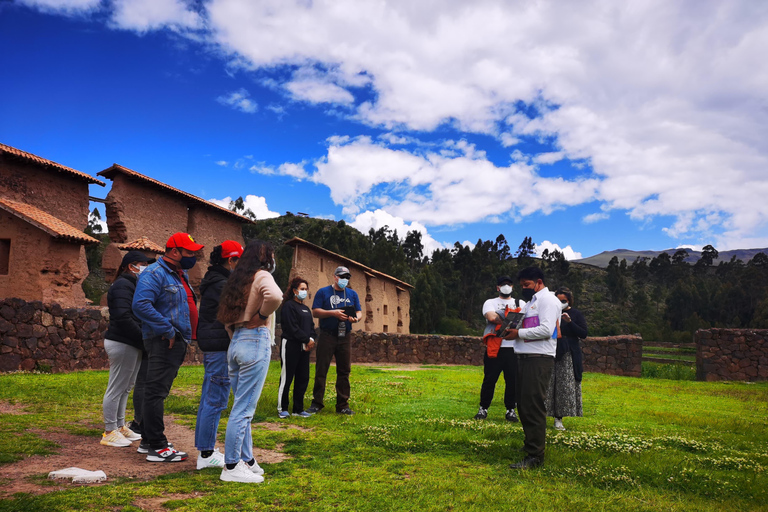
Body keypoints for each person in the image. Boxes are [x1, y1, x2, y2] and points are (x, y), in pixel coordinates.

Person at [132, 232, 204, 462]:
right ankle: (157, 445)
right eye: (189, 252)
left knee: (156, 390)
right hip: (164, 340)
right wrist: (168, 330)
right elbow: (141, 304)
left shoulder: (178, 274)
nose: (193, 256)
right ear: (174, 251)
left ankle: (147, 440)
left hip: (173, 341)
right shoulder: (155, 273)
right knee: (155, 392)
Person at [217, 240, 282, 484]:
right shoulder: (261, 275)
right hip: (254, 340)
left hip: (236, 342)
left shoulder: (237, 279)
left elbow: (226, 318)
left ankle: (246, 458)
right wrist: (262, 316)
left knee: (240, 405)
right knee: (244, 409)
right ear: (265, 257)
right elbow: (275, 296)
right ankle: (232, 466)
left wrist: (237, 336)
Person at [504, 266, 562, 469]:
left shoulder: (549, 301)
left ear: (539, 282)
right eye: (522, 286)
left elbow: (547, 329)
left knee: (533, 406)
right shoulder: (531, 304)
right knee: (523, 404)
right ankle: (531, 445)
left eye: (527, 285)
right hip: (524, 357)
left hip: (539, 359)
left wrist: (517, 335)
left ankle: (535, 456)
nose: (524, 289)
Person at [194, 240, 244, 470]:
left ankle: (206, 448)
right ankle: (206, 453)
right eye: (239, 261)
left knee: (210, 398)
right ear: (231, 260)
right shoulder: (222, 283)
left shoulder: (215, 280)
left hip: (215, 345)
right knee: (216, 398)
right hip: (219, 346)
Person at [101, 250, 154, 447]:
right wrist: (143, 337)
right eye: (143, 264)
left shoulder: (131, 285)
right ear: (131, 266)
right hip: (123, 342)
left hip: (130, 343)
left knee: (126, 387)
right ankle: (109, 431)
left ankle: (120, 426)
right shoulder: (124, 285)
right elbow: (124, 317)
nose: (145, 268)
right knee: (116, 387)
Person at [308, 266, 362, 416]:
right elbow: (315, 311)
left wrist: (355, 318)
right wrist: (333, 313)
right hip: (327, 335)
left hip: (345, 336)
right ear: (335, 277)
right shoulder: (323, 292)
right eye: (342, 276)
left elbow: (359, 312)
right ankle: (317, 403)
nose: (345, 279)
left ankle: (343, 405)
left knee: (344, 370)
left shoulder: (352, 294)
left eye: (347, 277)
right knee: (321, 369)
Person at [474, 275, 524, 422]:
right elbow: (491, 317)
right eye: (503, 284)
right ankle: (483, 408)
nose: (506, 286)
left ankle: (510, 410)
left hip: (514, 349)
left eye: (509, 284)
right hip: (495, 348)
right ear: (498, 287)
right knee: (489, 379)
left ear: (513, 287)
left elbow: (525, 318)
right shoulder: (490, 302)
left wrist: (503, 318)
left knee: (512, 381)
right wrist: (513, 318)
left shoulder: (520, 302)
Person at [546, 287, 588, 431]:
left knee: (564, 386)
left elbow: (583, 333)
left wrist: (570, 322)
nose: (561, 303)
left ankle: (559, 418)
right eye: (558, 300)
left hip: (568, 353)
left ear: (569, 300)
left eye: (563, 300)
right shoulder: (550, 313)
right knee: (549, 384)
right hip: (550, 350)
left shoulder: (576, 314)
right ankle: (543, 414)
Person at [277, 276, 317, 419]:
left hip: (305, 347)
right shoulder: (288, 306)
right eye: (302, 289)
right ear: (294, 290)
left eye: (306, 289)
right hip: (291, 345)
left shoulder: (306, 309)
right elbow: (292, 327)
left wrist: (311, 339)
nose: (304, 292)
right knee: (287, 377)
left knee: (303, 377)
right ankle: (282, 408)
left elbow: (311, 328)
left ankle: (298, 409)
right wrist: (306, 339)